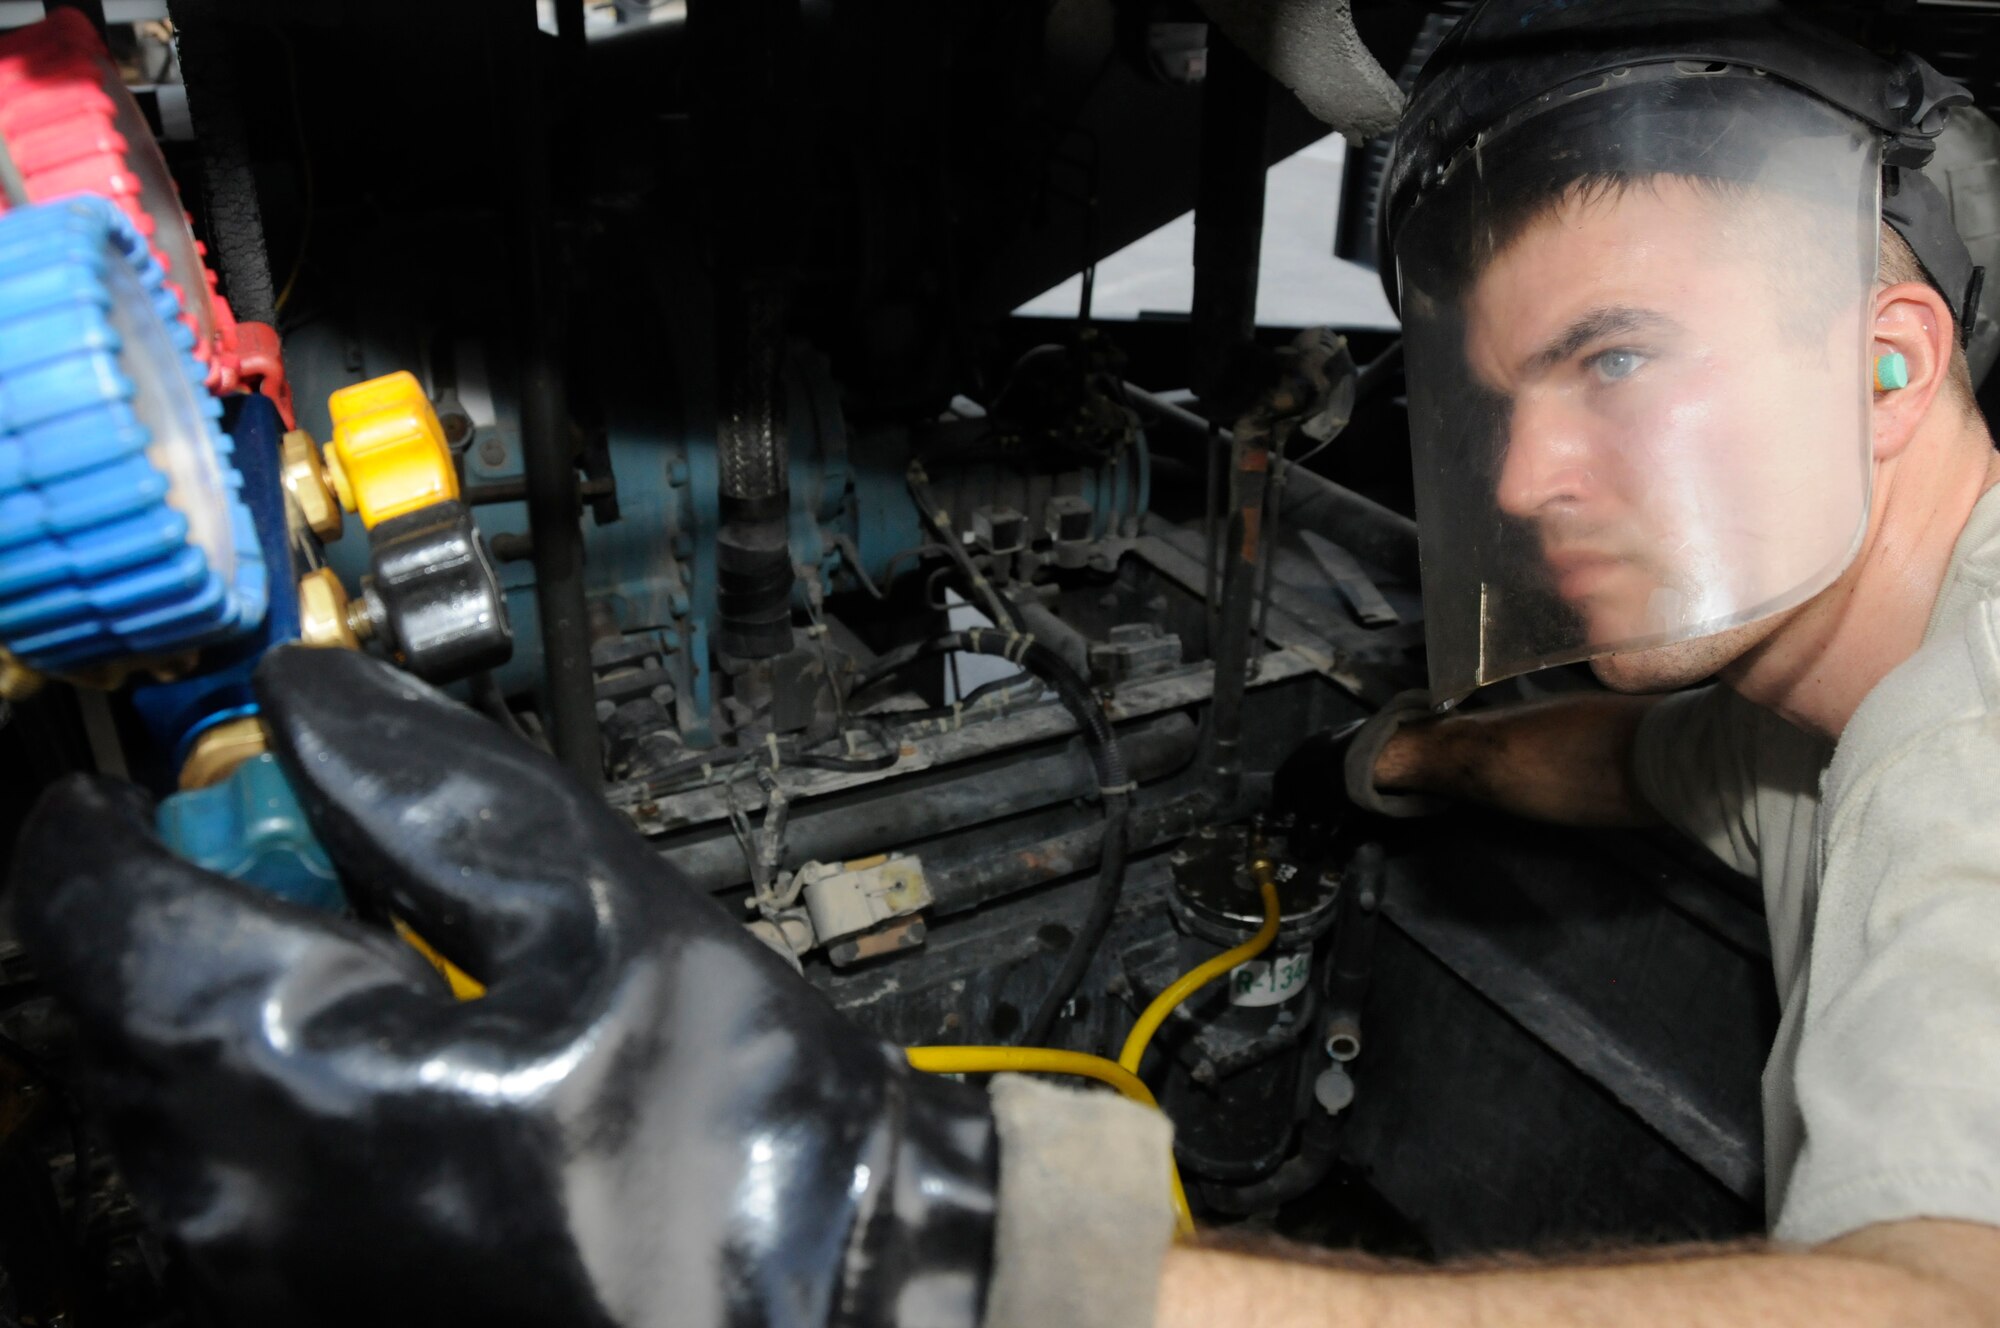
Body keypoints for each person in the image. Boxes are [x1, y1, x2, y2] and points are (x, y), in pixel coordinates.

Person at [8, 4, 2000, 1328]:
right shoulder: (1820, 696)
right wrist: (1398, 764)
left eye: (1615, 361)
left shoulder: (1965, 732)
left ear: (1888, 362)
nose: (1535, 469)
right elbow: (1666, 767)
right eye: (1493, 393)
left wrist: (902, 1228)